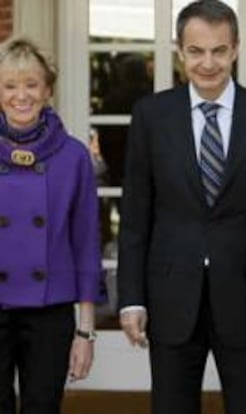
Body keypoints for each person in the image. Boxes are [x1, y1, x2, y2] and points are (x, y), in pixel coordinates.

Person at [118, 1, 246, 413]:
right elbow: (135, 217)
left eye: (219, 50)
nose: (208, 63)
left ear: (235, 49)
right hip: (170, 297)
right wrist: (131, 298)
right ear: (179, 51)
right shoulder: (151, 115)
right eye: (196, 51)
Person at [0, 38, 105, 414]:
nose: (20, 96)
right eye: (9, 86)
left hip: (50, 309)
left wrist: (85, 332)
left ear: (47, 90)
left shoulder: (73, 156)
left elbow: (86, 244)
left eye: (31, 84)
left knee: (43, 407)